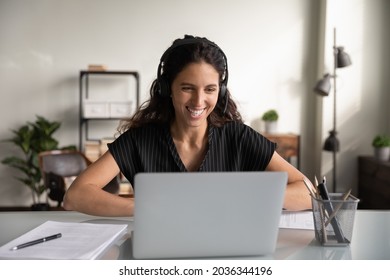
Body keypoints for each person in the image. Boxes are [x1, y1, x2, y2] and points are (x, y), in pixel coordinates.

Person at [63, 35, 312, 216]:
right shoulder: (140, 140)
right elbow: (75, 196)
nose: (198, 101)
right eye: (187, 88)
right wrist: (145, 207)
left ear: (221, 92)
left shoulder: (239, 137)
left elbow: (310, 191)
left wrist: (245, 199)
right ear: (167, 89)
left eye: (210, 89)